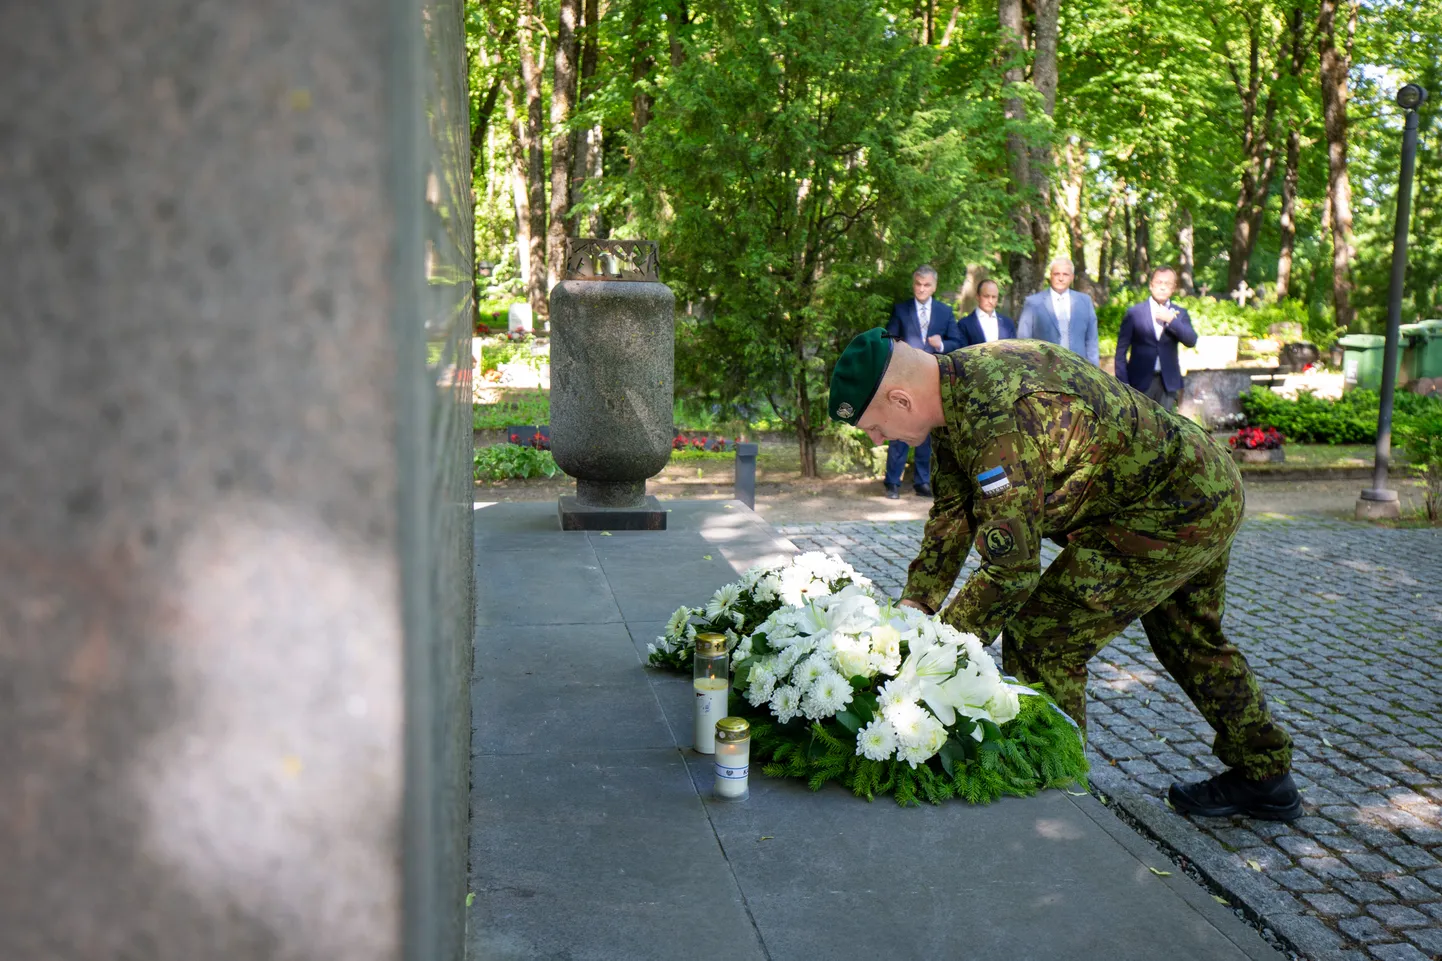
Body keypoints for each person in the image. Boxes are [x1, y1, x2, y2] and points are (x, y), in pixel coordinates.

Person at [826, 329, 1300, 821]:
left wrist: (929, 656)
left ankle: (1059, 806)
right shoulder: (957, 388)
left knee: (1042, 634)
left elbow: (1011, 572)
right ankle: (1266, 776)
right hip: (1195, 486)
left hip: (1171, 507)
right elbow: (953, 511)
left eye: (875, 428)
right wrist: (916, 606)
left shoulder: (997, 419)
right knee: (1189, 637)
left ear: (900, 398)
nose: (880, 441)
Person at [881, 265, 963, 499]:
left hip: (931, 379)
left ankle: (922, 482)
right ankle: (892, 482)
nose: (922, 289)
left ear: (934, 286)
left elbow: (957, 341)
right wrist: (901, 349)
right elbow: (889, 338)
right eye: (918, 284)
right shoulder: (901, 309)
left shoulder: (944, 312)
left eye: (927, 285)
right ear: (913, 284)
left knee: (926, 432)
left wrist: (942, 345)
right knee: (898, 430)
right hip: (905, 379)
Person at [1115, 266, 1197, 411]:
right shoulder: (1134, 313)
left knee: (1166, 430)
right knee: (1140, 429)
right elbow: (1120, 352)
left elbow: (1191, 340)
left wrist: (1172, 321)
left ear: (1174, 288)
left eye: (1167, 284)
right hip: (1139, 383)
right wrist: (1123, 383)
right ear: (1151, 285)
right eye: (1159, 283)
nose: (1163, 287)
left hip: (1168, 383)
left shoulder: (1180, 314)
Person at [1017, 258, 1099, 366]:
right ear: (1050, 275)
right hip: (1044, 372)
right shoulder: (1033, 303)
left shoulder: (1085, 302)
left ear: (1072, 277)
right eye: (1056, 274)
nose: (1061, 278)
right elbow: (1023, 342)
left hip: (1079, 372)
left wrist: (1094, 372)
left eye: (1065, 274)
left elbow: (1091, 341)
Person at [957, 278, 1016, 345]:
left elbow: (1013, 351)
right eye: (986, 296)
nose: (990, 301)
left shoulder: (1008, 323)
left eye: (994, 297)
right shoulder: (964, 325)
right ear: (977, 297)